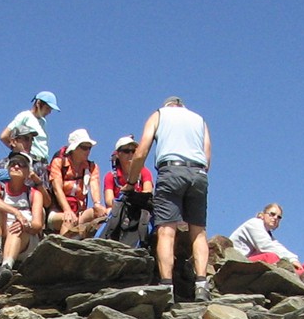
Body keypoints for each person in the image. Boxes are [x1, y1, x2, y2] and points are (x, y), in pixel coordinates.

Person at [127, 97, 211, 300]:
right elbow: (207, 154)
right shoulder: (199, 120)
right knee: (198, 231)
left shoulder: (159, 114)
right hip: (198, 173)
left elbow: (141, 151)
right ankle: (201, 284)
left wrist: (131, 182)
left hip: (171, 170)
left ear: (167, 106)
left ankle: (167, 287)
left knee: (166, 231)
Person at [0, 153, 45, 286]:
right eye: (13, 163)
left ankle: (6, 266)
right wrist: (15, 212)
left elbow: (37, 224)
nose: (16, 166)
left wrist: (24, 225)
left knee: (17, 227)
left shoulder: (34, 194)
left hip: (23, 241)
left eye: (22, 164)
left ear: (28, 172)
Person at [47, 129, 107, 237]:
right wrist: (67, 210)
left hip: (80, 212)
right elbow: (57, 189)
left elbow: (94, 186)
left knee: (101, 215)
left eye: (89, 147)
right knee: (68, 220)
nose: (88, 151)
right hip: (57, 212)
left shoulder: (92, 167)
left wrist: (97, 205)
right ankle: (62, 251)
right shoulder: (59, 162)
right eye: (84, 147)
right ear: (74, 148)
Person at [99, 134, 154, 246]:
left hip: (139, 209)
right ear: (118, 154)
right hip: (119, 211)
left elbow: (148, 191)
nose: (130, 154)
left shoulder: (144, 172)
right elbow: (109, 201)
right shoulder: (111, 176)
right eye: (126, 151)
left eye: (133, 151)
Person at [0, 91, 58, 166]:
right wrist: (19, 151)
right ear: (38, 103)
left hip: (43, 163)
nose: (49, 112)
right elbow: (4, 136)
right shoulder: (25, 116)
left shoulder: (43, 122)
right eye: (47, 108)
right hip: (30, 161)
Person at [230, 204, 298, 265]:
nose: (275, 218)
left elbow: (276, 246)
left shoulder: (269, 235)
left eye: (279, 217)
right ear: (262, 215)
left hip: (246, 261)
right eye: (272, 214)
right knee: (270, 257)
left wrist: (294, 259)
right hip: (235, 262)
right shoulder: (254, 223)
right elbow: (265, 245)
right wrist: (291, 259)